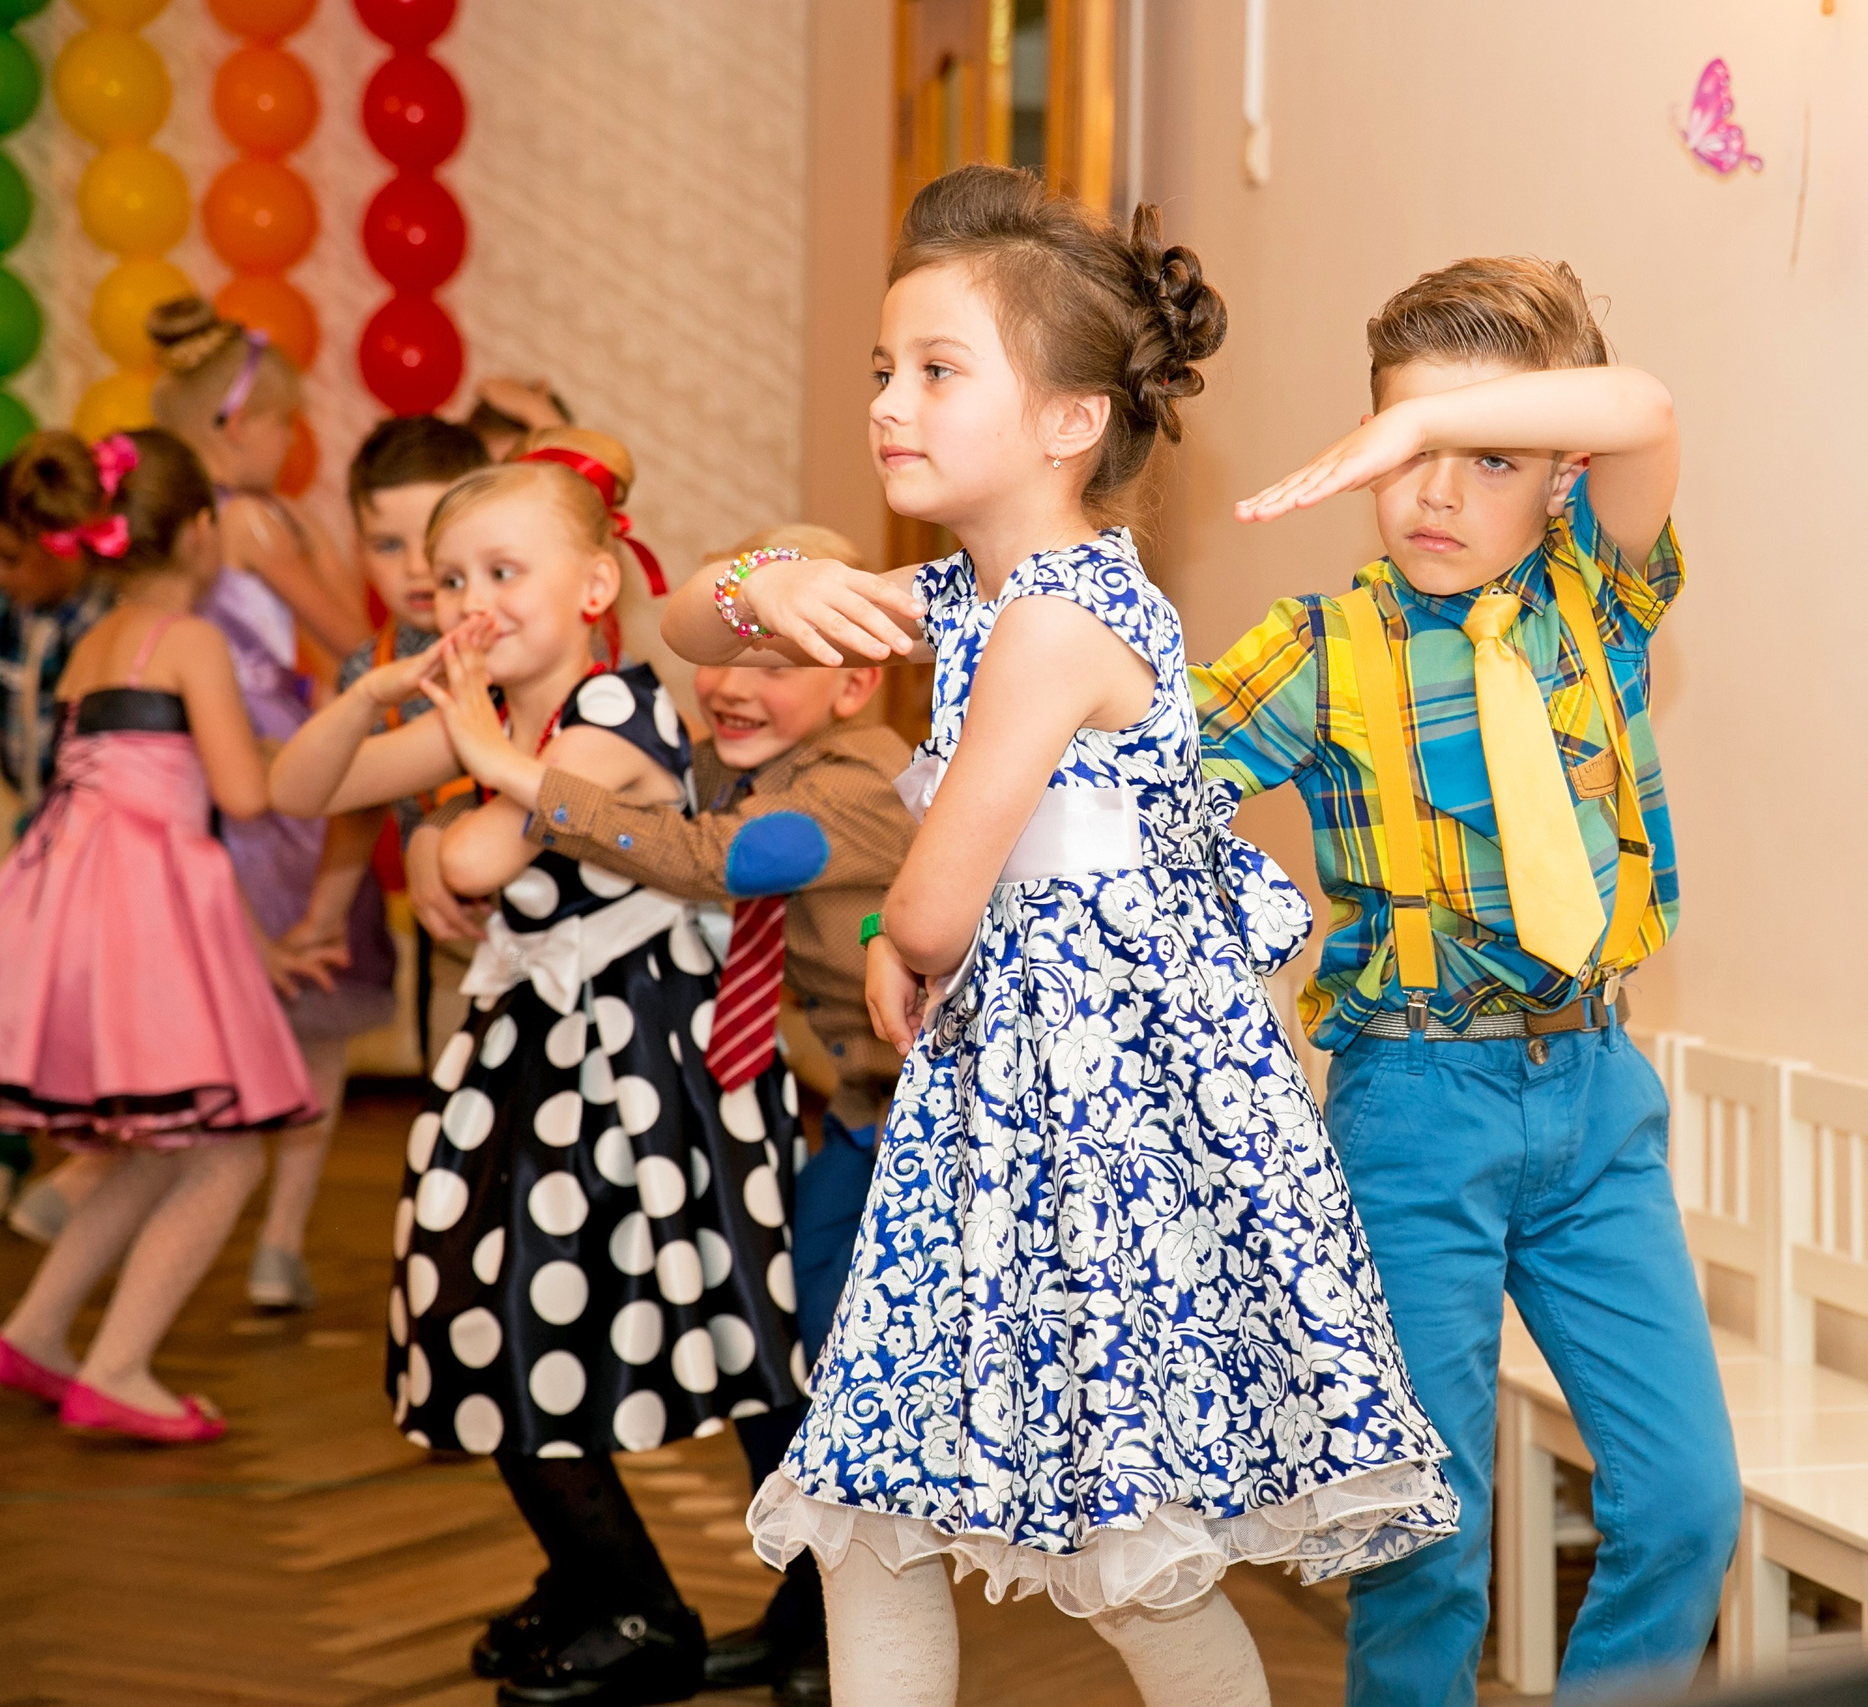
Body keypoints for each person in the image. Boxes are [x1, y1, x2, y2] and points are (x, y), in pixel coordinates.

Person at [662, 163, 1458, 1707]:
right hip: (998, 1120)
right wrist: (785, 577)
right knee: (878, 1517)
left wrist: (903, 936)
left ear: (1069, 421)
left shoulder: (1052, 619)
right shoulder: (971, 597)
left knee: (1121, 1561)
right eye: (885, 371)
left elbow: (938, 899)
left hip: (1089, 1151)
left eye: (940, 371)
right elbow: (696, 622)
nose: (893, 400)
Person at [1197, 257, 1743, 1703]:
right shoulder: (1317, 651)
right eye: (1405, 452)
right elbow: (1132, 791)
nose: (1434, 492)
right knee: (1424, 1534)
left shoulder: (1598, 602)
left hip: (1596, 1097)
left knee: (1689, 1503)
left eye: (1485, 459)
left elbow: (1645, 405)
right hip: (1413, 1103)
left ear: (1560, 480)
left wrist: (1447, 423)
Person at [271, 430, 805, 1707]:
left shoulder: (616, 709)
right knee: (491, 1319)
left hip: (645, 1069)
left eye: (502, 571)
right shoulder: (493, 716)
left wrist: (453, 774)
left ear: (594, 590)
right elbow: (299, 789)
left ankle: (813, 1602)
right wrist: (368, 696)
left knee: (733, 1334)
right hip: (535, 1062)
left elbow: (480, 864)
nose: (469, 602)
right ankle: (616, 1590)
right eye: (449, 580)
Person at [423, 520, 912, 1705]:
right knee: (805, 1362)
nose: (733, 683)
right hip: (852, 1112)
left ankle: (855, 1633)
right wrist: (445, 838)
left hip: (930, 1126)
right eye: (721, 655)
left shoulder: (860, 785)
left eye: (776, 659)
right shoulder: (752, 762)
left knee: (843, 1381)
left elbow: (712, 862)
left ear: (857, 679)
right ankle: (816, 1618)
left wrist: (514, 768)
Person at [0, 430, 320, 1443]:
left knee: (150, 1154)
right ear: (202, 532)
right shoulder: (192, 642)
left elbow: (162, 773)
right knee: (225, 1160)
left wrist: (259, 945)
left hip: (81, 904)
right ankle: (119, 1366)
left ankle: (37, 1332)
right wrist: (320, 748)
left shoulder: (96, 638)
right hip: (150, 914)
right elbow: (242, 798)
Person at [149, 296, 390, 1313]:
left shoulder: (197, 525)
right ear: (231, 429)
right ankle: (275, 1241)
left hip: (221, 773)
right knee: (315, 1013)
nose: (294, 441)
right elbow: (346, 634)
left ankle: (188, 1213)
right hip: (276, 783)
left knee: (254, 1005)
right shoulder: (249, 518)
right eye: (284, 423)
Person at [0, 458, 116, 1226]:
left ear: (65, 545)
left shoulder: (107, 621)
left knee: (92, 1000)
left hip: (103, 839)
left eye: (10, 555)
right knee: (2, 991)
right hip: (35, 828)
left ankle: (97, 1165)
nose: (0, 572)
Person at [338, 415, 493, 1074]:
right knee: (454, 1093)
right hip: (451, 929)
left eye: (433, 537)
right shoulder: (366, 672)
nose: (417, 567)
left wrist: (438, 828)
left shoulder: (518, 640)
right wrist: (322, 919)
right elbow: (351, 803)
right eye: (386, 544)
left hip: (557, 916)